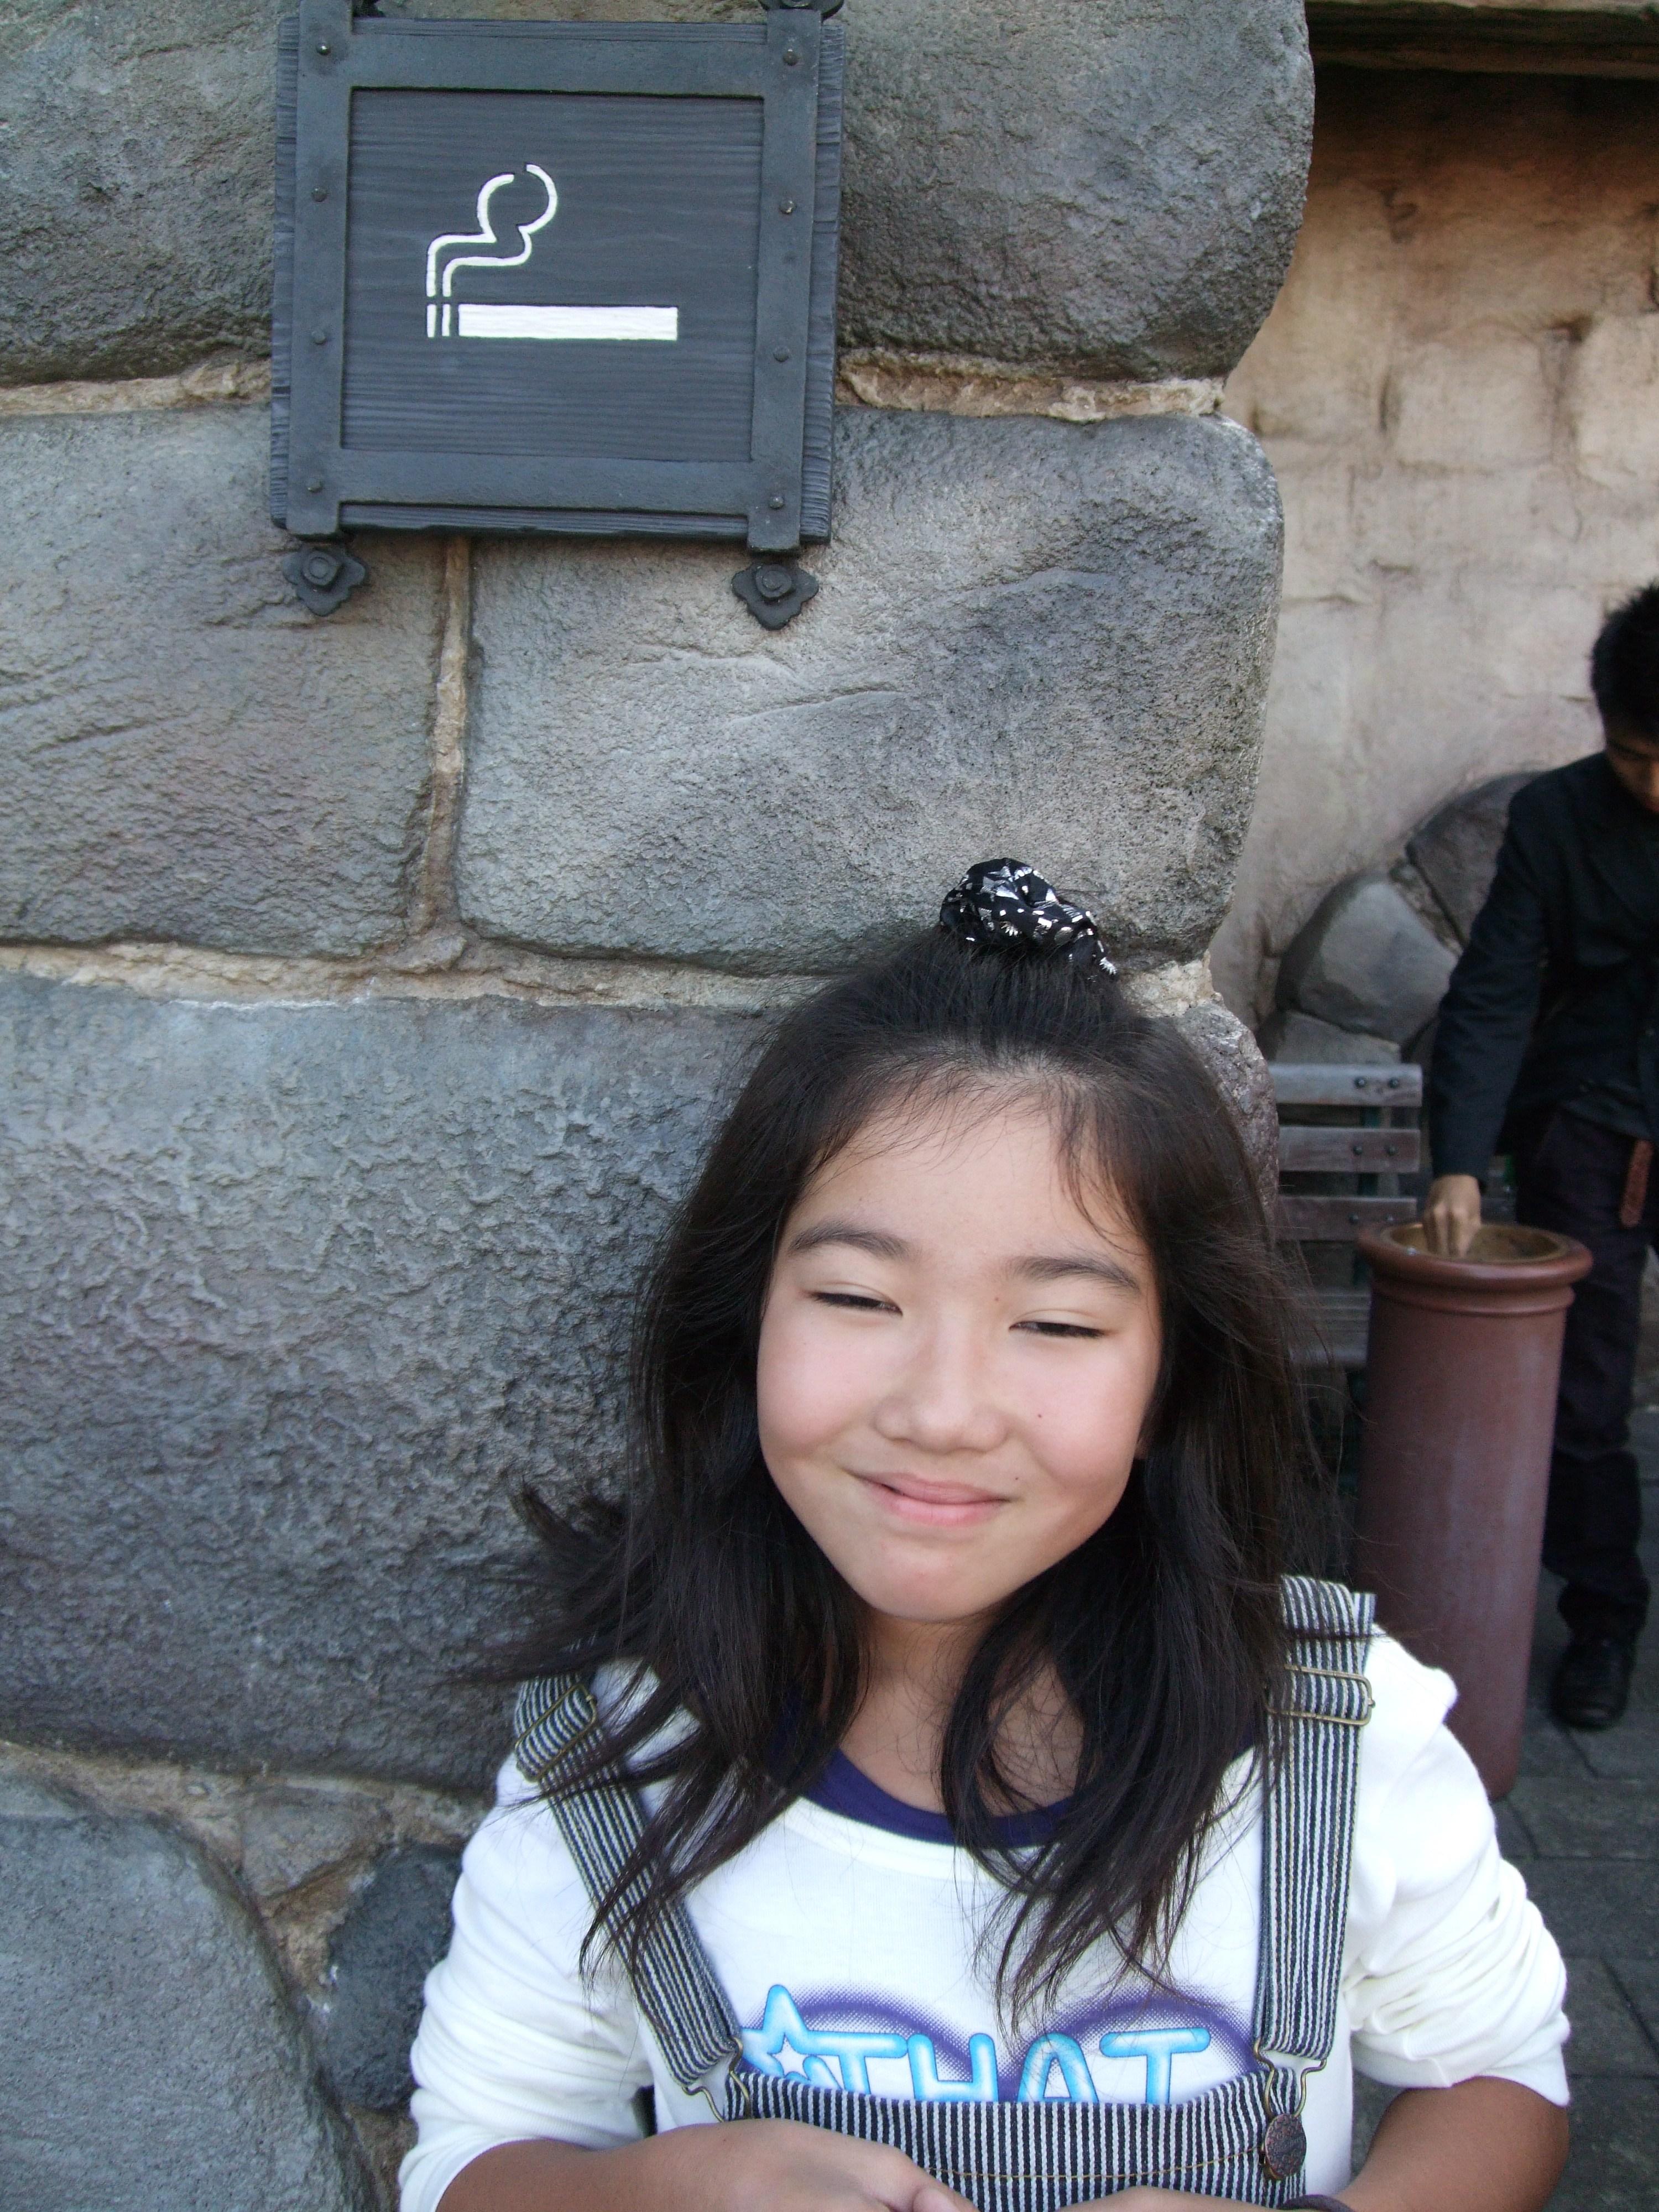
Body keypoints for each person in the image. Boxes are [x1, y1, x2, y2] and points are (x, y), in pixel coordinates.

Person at [404, 862, 1568, 2212]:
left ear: (1171, 1380)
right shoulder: (618, 1764)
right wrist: (678, 2186)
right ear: (746, 1320)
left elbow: (1501, 2074)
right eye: (858, 1297)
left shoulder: (1340, 1737)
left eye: (1058, 1322)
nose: (944, 1410)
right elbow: (474, 2157)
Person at [1425, 584, 1659, 1733]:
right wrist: (1460, 1161)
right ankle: (1604, 1613)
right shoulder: (1557, 819)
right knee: (1585, 1394)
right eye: (1635, 758)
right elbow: (1493, 993)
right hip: (1590, 1128)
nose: (1655, 786)